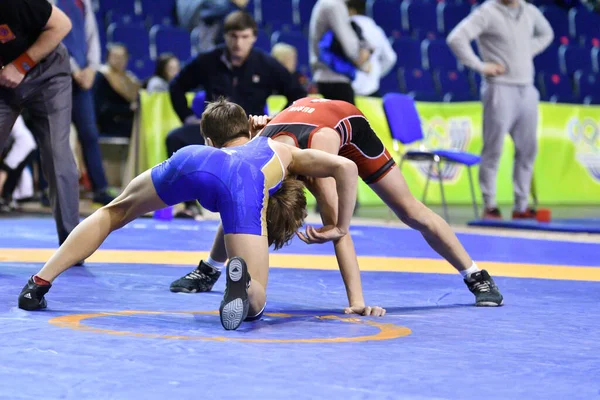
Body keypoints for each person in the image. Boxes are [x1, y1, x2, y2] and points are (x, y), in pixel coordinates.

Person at [18, 99, 384, 331]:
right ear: (250, 129)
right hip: (245, 181)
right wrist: (340, 226)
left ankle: (39, 282)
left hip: (193, 163)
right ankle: (241, 284)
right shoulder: (274, 146)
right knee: (256, 301)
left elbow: (117, 210)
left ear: (210, 136)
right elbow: (345, 170)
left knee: (115, 212)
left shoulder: (203, 147)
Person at [173, 97, 504, 307]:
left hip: (347, 128)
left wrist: (356, 300)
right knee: (242, 199)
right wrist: (255, 125)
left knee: (408, 210)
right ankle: (208, 271)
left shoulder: (318, 175)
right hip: (303, 119)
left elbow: (340, 233)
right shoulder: (258, 158)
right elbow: (237, 207)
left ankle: (476, 275)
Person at [166, 10, 307, 218]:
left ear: (254, 37)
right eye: (233, 36)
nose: (238, 42)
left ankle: (281, 209)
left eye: (244, 37)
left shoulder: (266, 64)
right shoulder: (208, 61)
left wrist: (277, 120)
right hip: (215, 131)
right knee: (176, 138)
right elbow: (176, 86)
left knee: (288, 148)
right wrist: (188, 117)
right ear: (225, 36)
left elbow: (298, 93)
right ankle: (189, 205)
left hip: (252, 135)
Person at [447, 0, 553, 220]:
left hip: (527, 88)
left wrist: (526, 51)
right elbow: (456, 38)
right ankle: (490, 205)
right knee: (493, 148)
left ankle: (521, 206)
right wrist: (480, 65)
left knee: (528, 149)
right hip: (499, 87)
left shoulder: (529, 11)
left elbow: (547, 34)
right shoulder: (487, 12)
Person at [0, 0, 81, 248]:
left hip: (47, 75)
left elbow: (62, 24)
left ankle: (72, 245)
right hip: (4, 81)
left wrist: (21, 64)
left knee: (56, 153)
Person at [55, 0, 114, 205]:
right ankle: (50, 189)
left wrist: (92, 68)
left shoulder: (84, 2)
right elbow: (51, 33)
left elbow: (91, 35)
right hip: (56, 75)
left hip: (82, 80)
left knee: (89, 134)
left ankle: (100, 188)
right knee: (54, 136)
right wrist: (74, 69)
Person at [309, 0, 371, 104]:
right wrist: (363, 55)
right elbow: (351, 48)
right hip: (334, 79)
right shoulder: (334, 4)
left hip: (327, 78)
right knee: (345, 119)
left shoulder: (327, 3)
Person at [347, 0, 397, 97]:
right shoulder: (375, 28)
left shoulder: (345, 26)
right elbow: (391, 58)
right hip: (371, 90)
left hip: (348, 90)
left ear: (351, 10)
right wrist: (375, 74)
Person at [94, 44, 141, 137]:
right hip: (108, 121)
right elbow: (102, 107)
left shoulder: (129, 78)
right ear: (108, 58)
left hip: (126, 118)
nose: (119, 60)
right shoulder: (101, 76)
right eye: (115, 57)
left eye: (122, 57)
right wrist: (128, 109)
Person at [0, 115, 37, 211]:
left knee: (7, 175)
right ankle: (9, 198)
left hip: (24, 146)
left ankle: (7, 198)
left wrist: (4, 170)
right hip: (16, 146)